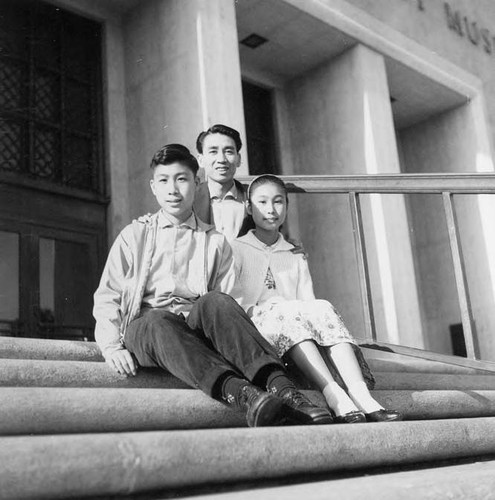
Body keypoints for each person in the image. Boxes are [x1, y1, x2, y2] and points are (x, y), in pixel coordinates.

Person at [93, 144, 333, 427]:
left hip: (194, 330)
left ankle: (284, 390)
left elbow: (232, 303)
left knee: (217, 301)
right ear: (153, 187)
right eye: (164, 180)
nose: (173, 189)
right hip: (148, 330)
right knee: (158, 319)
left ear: (197, 183)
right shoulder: (135, 235)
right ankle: (243, 394)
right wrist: (111, 347)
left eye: (181, 179)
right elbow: (108, 294)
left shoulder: (214, 240)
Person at [231, 174, 403, 424]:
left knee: (321, 306)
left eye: (279, 202)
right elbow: (234, 300)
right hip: (259, 326)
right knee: (285, 311)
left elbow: (307, 301)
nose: (271, 210)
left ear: (287, 207)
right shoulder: (237, 248)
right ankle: (334, 395)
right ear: (249, 207)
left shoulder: (293, 252)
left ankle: (361, 395)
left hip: (296, 328)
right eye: (263, 202)